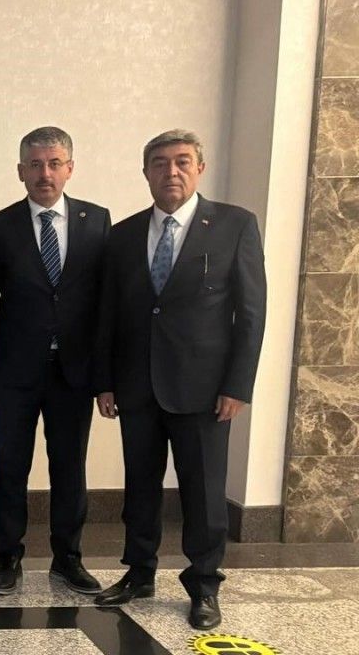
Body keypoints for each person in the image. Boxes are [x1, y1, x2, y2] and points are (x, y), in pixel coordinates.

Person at [93, 130, 266, 629]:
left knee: (205, 492)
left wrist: (238, 385)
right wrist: (105, 381)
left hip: (206, 389)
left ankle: (205, 585)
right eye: (160, 163)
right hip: (137, 385)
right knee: (140, 486)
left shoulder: (234, 225)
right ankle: (139, 572)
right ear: (146, 172)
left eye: (182, 161)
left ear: (199, 168)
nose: (171, 171)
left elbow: (251, 313)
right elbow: (109, 313)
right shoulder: (123, 234)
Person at [0, 127, 109, 596]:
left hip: (73, 372)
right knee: (9, 468)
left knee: (69, 468)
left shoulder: (97, 220)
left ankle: (68, 559)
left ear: (70, 168)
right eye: (35, 164)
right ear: (20, 171)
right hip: (13, 372)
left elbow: (105, 303)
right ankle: (7, 559)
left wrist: (104, 376)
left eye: (54, 163)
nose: (45, 173)